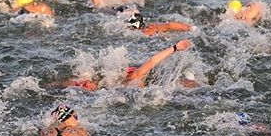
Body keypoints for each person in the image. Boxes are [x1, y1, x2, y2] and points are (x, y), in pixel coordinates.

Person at [60, 39, 193, 91]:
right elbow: (152, 61)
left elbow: (152, 62)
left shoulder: (117, 81)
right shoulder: (134, 77)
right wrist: (175, 47)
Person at [126, 12, 193, 36]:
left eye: (132, 28)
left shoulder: (149, 31)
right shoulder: (150, 27)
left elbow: (170, 26)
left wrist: (189, 28)